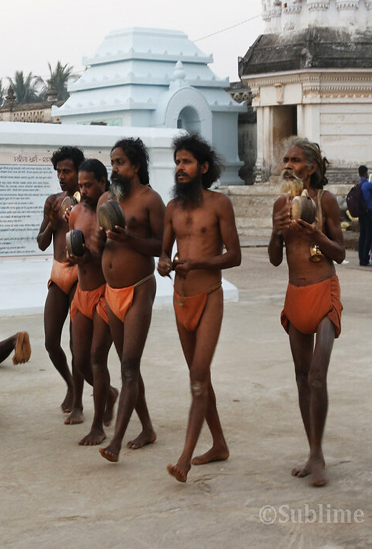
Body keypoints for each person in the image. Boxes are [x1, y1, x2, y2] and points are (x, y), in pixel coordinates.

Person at [157, 134, 241, 484]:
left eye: (187, 162)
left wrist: (199, 263)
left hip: (209, 295)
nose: (180, 167)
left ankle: (185, 458)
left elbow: (234, 256)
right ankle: (219, 443)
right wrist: (163, 263)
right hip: (180, 298)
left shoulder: (219, 204)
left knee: (197, 375)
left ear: (203, 167)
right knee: (200, 377)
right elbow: (163, 253)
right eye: (177, 161)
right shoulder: (172, 209)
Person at [268, 137, 346, 487]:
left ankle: (318, 458)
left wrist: (314, 233)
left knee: (317, 375)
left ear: (311, 167)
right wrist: (276, 231)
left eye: (296, 160)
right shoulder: (281, 203)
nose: (289, 165)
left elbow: (340, 253)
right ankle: (312, 450)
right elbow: (274, 258)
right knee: (301, 378)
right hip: (295, 294)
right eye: (286, 159)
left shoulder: (325, 200)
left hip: (323, 292)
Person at [95, 137, 165, 463]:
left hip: (139, 288)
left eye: (120, 162)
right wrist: (96, 241)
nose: (114, 169)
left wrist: (131, 239)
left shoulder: (151, 200)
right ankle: (147, 428)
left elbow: (163, 247)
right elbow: (100, 248)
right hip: (112, 293)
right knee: (129, 369)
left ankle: (117, 441)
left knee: (127, 367)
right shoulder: (107, 200)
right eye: (112, 163)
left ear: (135, 166)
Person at [66, 158, 118, 445]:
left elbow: (113, 256)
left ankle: (98, 425)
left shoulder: (108, 211)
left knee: (98, 358)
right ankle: (109, 393)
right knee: (80, 359)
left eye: (88, 185)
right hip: (81, 292)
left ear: (102, 182)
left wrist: (91, 255)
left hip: (102, 293)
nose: (83, 190)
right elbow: (70, 245)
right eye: (81, 185)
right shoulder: (75, 212)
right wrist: (75, 256)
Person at [37, 146, 85, 421]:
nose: (61, 176)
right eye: (58, 171)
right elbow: (42, 243)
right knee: (51, 342)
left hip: (80, 275)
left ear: (79, 171)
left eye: (67, 171)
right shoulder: (53, 201)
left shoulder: (89, 202)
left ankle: (78, 403)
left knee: (76, 344)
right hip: (58, 274)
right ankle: (69, 383)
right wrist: (51, 223)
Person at [356, 165, 372, 267]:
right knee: (369, 236)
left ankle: (361, 258)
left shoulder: (359, 184)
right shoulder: (368, 185)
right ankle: (365, 258)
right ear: (366, 173)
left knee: (362, 236)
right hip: (368, 212)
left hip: (361, 212)